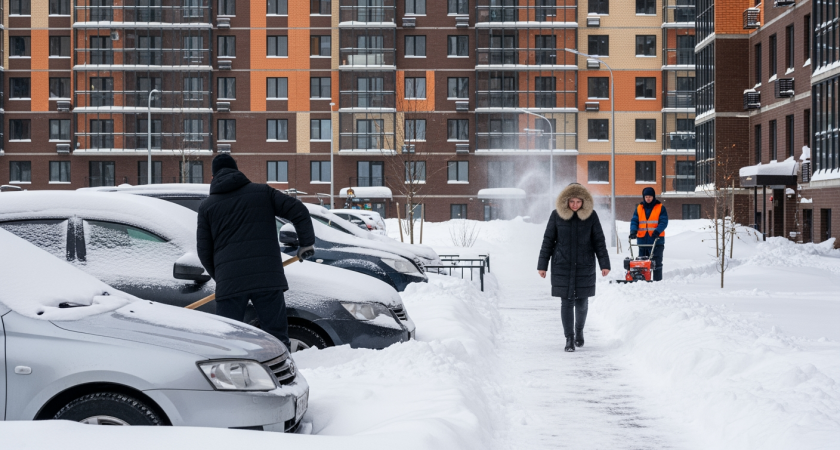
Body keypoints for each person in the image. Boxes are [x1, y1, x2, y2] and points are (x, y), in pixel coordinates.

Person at [197, 154, 316, 351]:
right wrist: (306, 243)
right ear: (237, 170)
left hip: (231, 280)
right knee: (276, 336)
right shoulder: (262, 192)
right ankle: (281, 376)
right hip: (266, 277)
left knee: (227, 340)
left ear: (213, 177)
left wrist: (222, 277)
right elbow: (298, 210)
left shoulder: (207, 207)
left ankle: (232, 376)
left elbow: (204, 251)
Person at [537, 183, 611, 352]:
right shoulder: (556, 216)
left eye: (578, 201)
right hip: (562, 264)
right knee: (566, 302)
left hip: (585, 265)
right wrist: (542, 265)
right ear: (566, 201)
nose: (575, 205)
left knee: (582, 302)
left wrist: (604, 264)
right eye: (572, 201)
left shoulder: (591, 217)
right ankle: (569, 338)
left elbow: (599, 241)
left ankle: (579, 331)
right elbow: (548, 241)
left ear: (584, 202)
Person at [629, 187, 668, 281]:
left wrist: (657, 231)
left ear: (653, 197)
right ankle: (643, 280)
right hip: (643, 240)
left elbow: (664, 221)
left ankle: (657, 281)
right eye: (646, 196)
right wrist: (633, 231)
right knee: (642, 262)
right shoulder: (639, 207)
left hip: (656, 240)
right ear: (643, 197)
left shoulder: (660, 207)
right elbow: (634, 220)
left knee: (656, 262)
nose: (648, 198)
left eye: (650, 196)